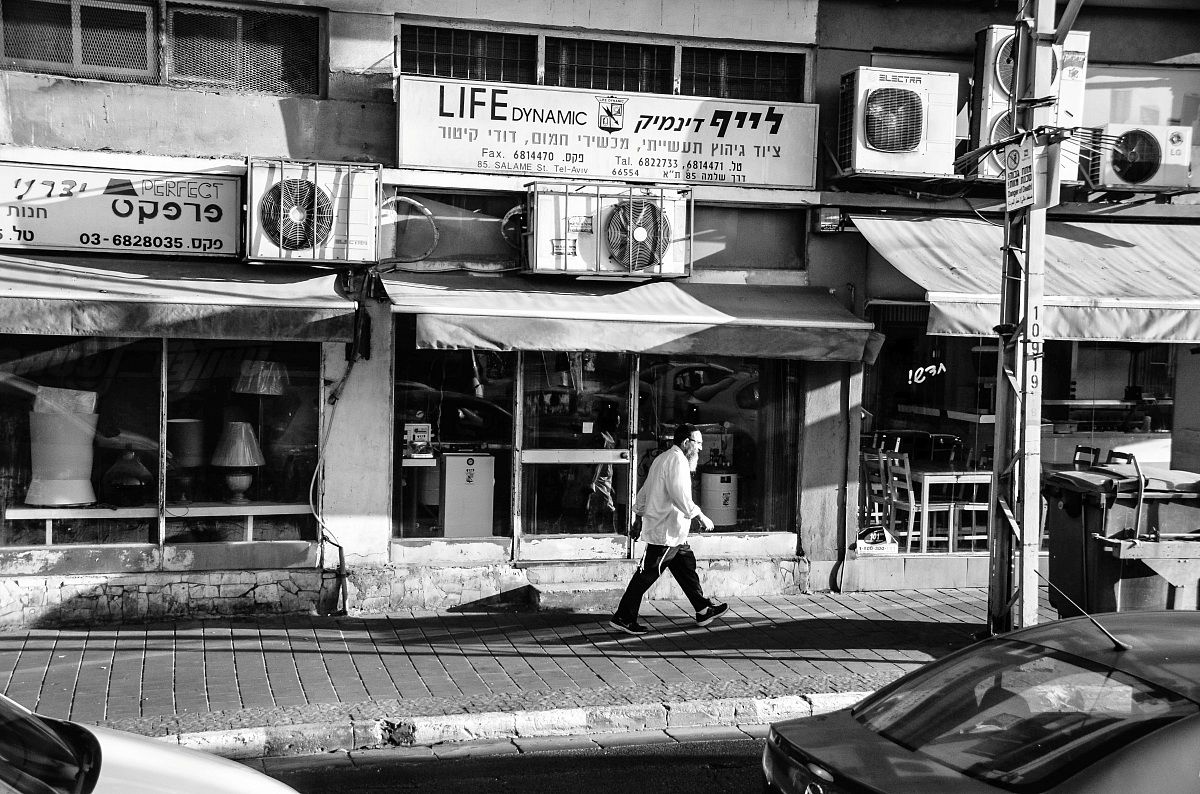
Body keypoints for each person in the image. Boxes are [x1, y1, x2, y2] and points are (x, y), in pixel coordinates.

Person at [609, 423, 728, 635]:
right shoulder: (677, 461)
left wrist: (638, 517)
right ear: (686, 442)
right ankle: (623, 617)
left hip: (674, 532)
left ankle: (703, 609)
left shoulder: (663, 458)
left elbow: (645, 490)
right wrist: (700, 515)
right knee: (647, 574)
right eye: (698, 443)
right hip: (666, 532)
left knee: (686, 568)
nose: (701, 448)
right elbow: (679, 494)